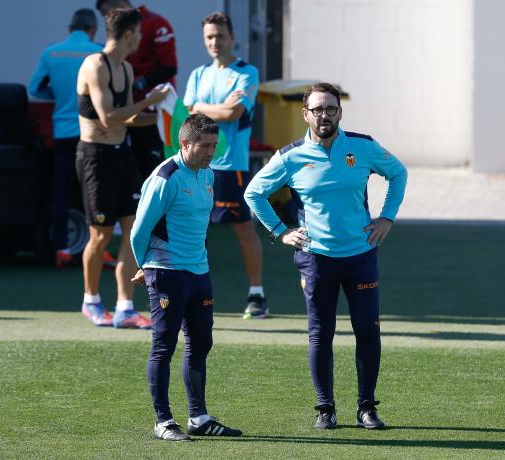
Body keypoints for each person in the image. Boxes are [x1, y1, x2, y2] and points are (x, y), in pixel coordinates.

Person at [244, 83, 408, 430]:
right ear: (305, 114)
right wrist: (281, 232)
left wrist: (386, 217)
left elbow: (398, 173)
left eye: (330, 109)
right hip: (316, 257)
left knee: (367, 330)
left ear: (339, 113)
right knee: (320, 333)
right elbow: (254, 192)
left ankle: (367, 407)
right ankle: (325, 408)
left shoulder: (362, 147)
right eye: (317, 109)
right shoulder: (290, 156)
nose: (324, 115)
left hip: (361, 254)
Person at [130, 114, 242, 442]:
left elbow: (200, 225)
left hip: (198, 271)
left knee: (201, 342)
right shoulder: (167, 177)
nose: (211, 152)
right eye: (205, 146)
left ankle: (199, 418)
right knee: (163, 345)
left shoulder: (208, 174)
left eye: (214, 145)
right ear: (185, 144)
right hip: (167, 271)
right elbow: (139, 229)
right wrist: (145, 266)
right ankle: (164, 421)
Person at [76, 8, 168, 329]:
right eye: (139, 34)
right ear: (128, 34)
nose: (141, 39)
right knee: (100, 234)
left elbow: (128, 118)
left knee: (133, 230)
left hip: (121, 154)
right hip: (95, 157)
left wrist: (164, 113)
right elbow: (108, 117)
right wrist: (146, 102)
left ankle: (125, 307)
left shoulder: (126, 69)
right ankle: (91, 301)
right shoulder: (94, 65)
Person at [184, 12, 268, 320]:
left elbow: (232, 114)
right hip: (196, 166)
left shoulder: (246, 72)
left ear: (232, 37)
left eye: (220, 36)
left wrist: (202, 108)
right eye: (209, 37)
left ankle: (257, 295)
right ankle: (192, 296)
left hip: (230, 164)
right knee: (194, 230)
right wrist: (212, 109)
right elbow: (190, 113)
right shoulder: (198, 74)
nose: (214, 42)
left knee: (243, 228)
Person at [28, 9, 103, 266]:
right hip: (91, 133)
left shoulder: (51, 52)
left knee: (60, 190)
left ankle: (60, 248)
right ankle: (99, 247)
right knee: (93, 191)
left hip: (61, 132)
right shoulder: (98, 52)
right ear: (93, 29)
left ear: (70, 28)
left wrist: (59, 98)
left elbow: (34, 87)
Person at [95, 0, 178, 183]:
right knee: (136, 173)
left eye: (107, 11)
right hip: (128, 113)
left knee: (155, 172)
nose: (107, 18)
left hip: (148, 113)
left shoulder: (155, 23)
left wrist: (138, 86)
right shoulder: (101, 63)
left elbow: (170, 67)